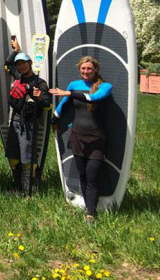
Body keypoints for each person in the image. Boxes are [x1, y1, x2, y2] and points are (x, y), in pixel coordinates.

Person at [50, 56, 112, 223]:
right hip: (77, 136)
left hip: (96, 139)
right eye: (83, 69)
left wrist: (69, 93)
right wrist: (55, 118)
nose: (86, 71)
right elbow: (64, 103)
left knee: (92, 177)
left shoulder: (105, 86)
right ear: (79, 69)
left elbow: (93, 98)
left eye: (89, 69)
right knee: (83, 175)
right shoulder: (74, 85)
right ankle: (88, 208)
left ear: (96, 70)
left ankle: (91, 215)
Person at [4, 38, 51, 193]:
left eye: (24, 63)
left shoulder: (40, 83)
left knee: (27, 158)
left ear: (30, 63)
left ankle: (30, 188)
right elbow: (7, 65)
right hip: (15, 121)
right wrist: (16, 51)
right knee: (13, 156)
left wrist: (38, 97)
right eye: (19, 64)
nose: (21, 66)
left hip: (29, 124)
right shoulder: (18, 77)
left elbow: (47, 104)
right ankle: (17, 187)